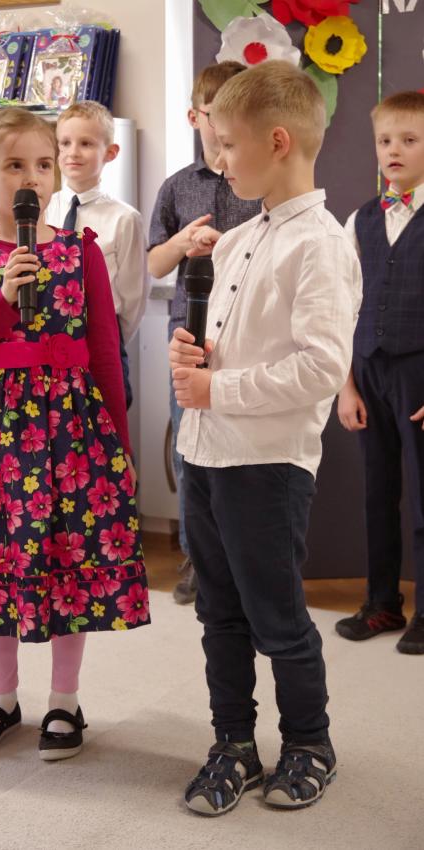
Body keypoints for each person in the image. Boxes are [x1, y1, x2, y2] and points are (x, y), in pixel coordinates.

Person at [0, 107, 150, 759]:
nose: (32, 178)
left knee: (65, 557)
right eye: (16, 165)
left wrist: (119, 448)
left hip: (67, 433)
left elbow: (104, 352)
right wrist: (0, 303)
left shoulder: (82, 251)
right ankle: (2, 696)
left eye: (43, 165)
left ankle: (64, 700)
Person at [169, 60, 362, 814]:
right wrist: (197, 358)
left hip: (267, 466)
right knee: (217, 614)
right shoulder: (235, 240)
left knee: (278, 619)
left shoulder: (320, 245)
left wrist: (217, 389)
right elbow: (237, 343)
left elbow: (320, 367)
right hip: (204, 454)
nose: (218, 160)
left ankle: (310, 743)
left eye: (227, 144)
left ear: (277, 141)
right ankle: (234, 744)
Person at [148, 61, 261, 605]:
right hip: (187, 338)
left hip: (248, 333)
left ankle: (243, 561)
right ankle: (197, 559)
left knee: (244, 452)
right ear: (194, 117)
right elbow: (154, 264)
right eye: (212, 115)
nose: (219, 128)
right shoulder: (177, 187)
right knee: (189, 453)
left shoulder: (258, 180)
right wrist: (183, 243)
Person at [336, 91, 424, 655]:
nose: (394, 149)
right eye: (385, 140)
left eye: (410, 140)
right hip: (368, 371)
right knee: (378, 496)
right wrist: (345, 385)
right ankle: (382, 602)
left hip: (419, 375)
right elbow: (343, 306)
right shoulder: (361, 219)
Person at [47, 100, 148, 410]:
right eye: (65, 143)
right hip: (50, 335)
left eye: (86, 143)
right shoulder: (42, 210)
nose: (73, 152)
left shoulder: (124, 218)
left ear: (110, 152)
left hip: (101, 336)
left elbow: (132, 297)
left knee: (105, 416)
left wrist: (108, 335)